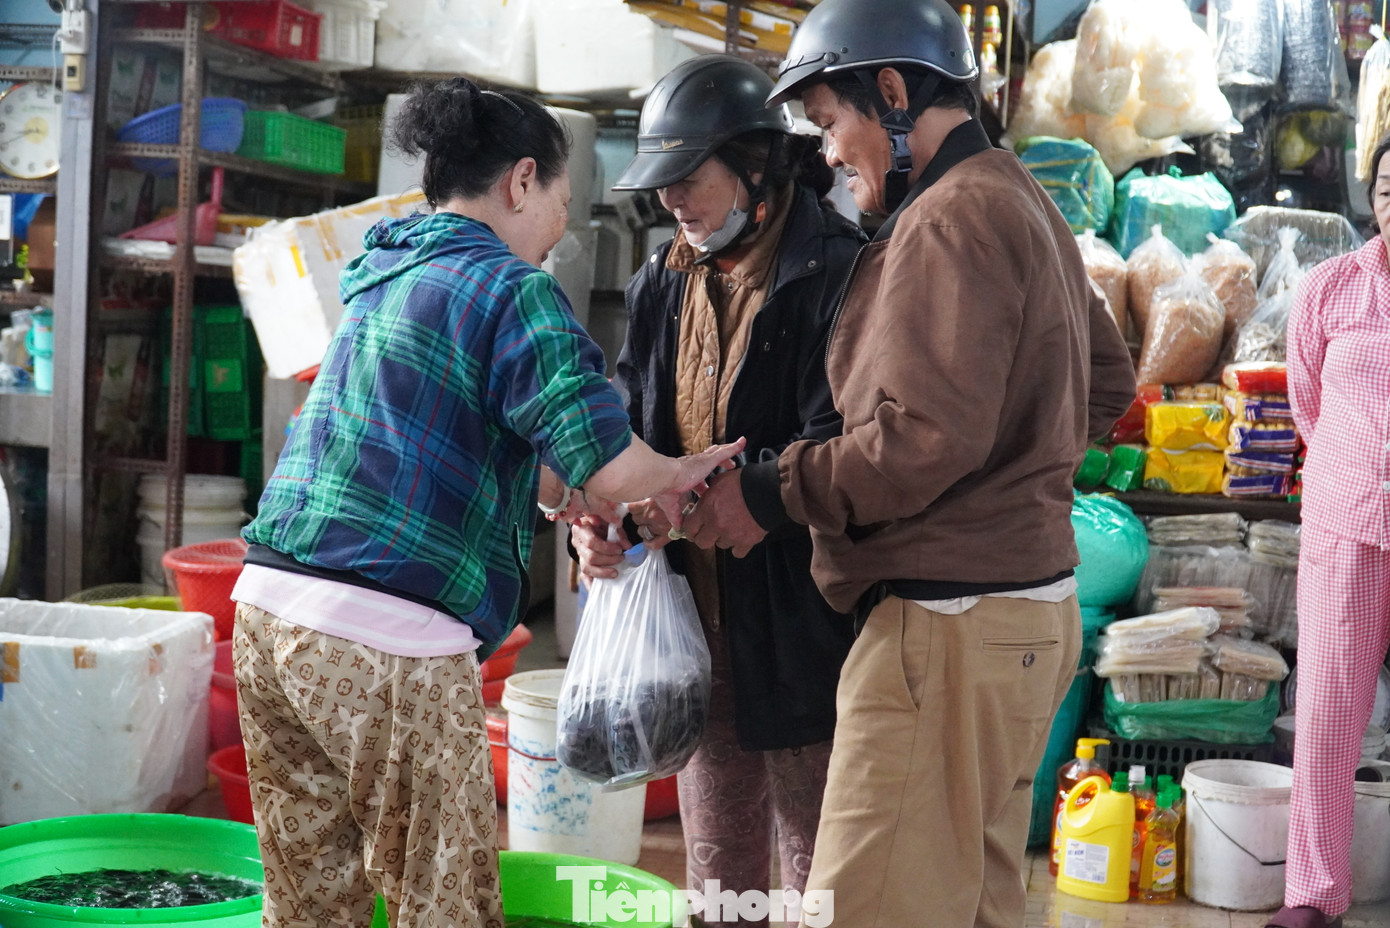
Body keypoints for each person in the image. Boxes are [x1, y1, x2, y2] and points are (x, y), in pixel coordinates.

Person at [230, 77, 742, 928]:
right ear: (520, 180)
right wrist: (682, 472)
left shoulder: (386, 272)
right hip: (383, 638)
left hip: (267, 615)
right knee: (446, 899)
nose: (560, 229)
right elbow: (612, 466)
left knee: (313, 895)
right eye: (561, 204)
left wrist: (566, 498)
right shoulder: (514, 290)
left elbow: (520, 458)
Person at [683, 1, 1136, 925]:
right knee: (974, 903)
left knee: (862, 910)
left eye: (831, 121)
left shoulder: (947, 218)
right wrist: (1016, 470)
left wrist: (770, 491)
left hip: (946, 628)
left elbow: (922, 440)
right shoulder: (1021, 196)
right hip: (1027, 618)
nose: (830, 152)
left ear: (890, 92)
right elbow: (1108, 379)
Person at [569, 54, 864, 927]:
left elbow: (839, 446)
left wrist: (713, 497)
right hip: (694, 615)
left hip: (803, 620)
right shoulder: (664, 276)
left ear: (758, 164)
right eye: (659, 185)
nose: (671, 202)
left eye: (687, 179)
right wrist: (611, 513)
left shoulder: (841, 271)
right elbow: (631, 417)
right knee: (718, 865)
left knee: (821, 866)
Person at [1267, 135, 1390, 928]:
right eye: (1387, 185)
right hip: (1348, 521)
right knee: (1329, 713)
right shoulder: (1332, 288)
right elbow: (1308, 401)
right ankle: (1314, 896)